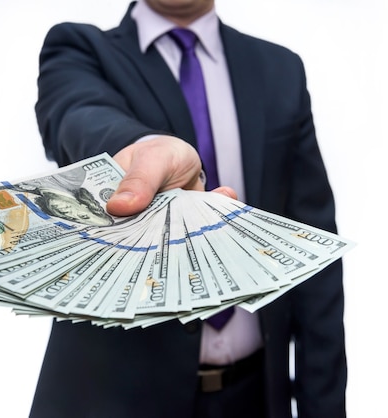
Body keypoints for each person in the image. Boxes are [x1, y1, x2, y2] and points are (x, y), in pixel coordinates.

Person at [30, 1, 346, 417]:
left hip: (254, 397)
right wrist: (141, 148)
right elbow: (78, 113)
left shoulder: (279, 68)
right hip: (114, 399)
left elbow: (313, 251)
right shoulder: (80, 49)